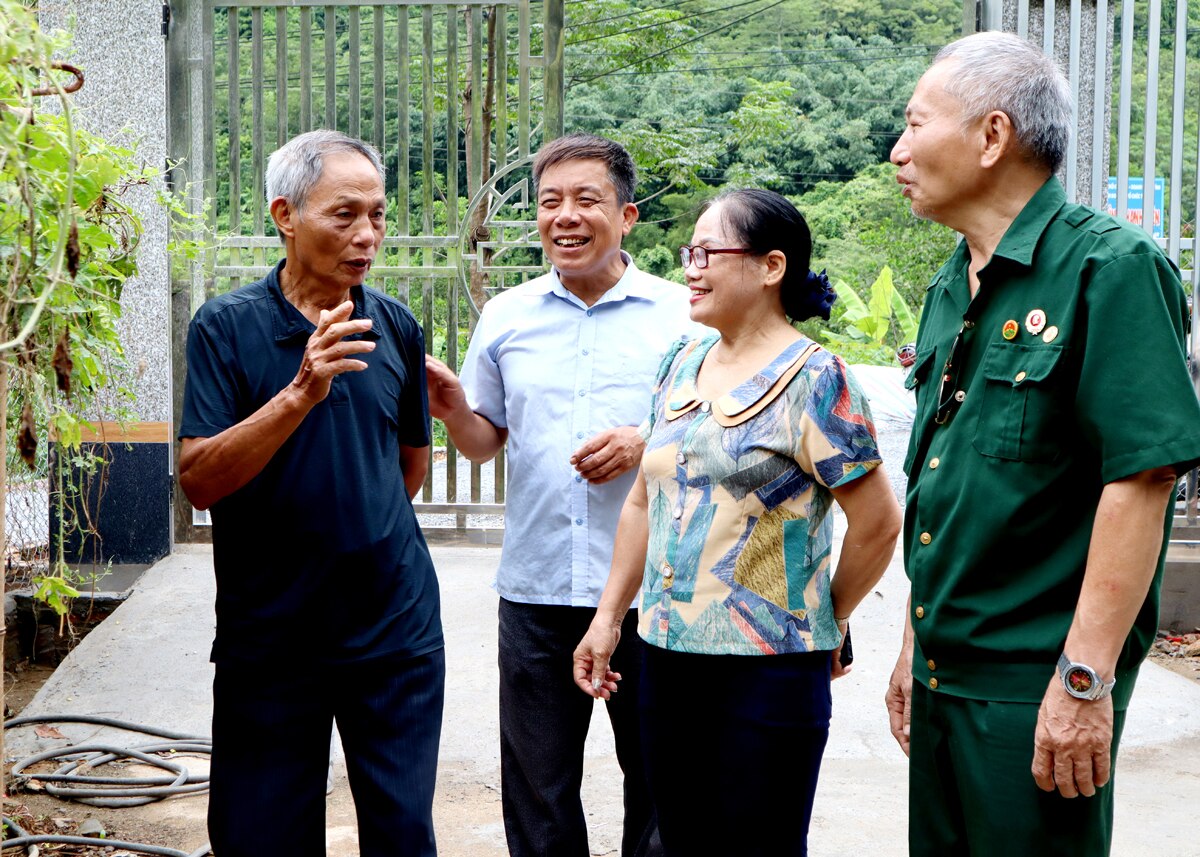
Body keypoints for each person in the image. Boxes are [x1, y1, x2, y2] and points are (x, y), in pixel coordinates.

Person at [885, 32, 1200, 856]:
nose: (898, 150)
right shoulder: (951, 285)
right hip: (945, 675)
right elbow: (944, 484)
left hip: (1035, 687)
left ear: (992, 137)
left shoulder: (1112, 269)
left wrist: (1084, 681)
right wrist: (915, 647)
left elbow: (1143, 479)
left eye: (916, 124)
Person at [573, 188, 903, 857]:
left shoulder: (819, 380)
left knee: (760, 843)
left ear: (771, 266)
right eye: (689, 253)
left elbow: (877, 524)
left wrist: (822, 620)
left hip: (771, 669)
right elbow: (643, 499)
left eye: (706, 252)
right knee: (681, 837)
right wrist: (609, 616)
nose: (689, 267)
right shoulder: (680, 364)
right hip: (664, 655)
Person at [424, 133, 695, 857]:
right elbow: (487, 441)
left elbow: (721, 435)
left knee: (664, 787)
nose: (565, 217)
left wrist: (646, 443)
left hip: (654, 593)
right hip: (538, 587)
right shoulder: (508, 316)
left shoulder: (683, 317)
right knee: (537, 791)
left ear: (628, 215)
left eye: (586, 200)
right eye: (550, 202)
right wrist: (453, 406)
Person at [178, 130, 443, 857]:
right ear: (285, 214)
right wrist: (300, 391)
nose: (367, 235)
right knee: (260, 836)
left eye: (379, 215)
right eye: (345, 214)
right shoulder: (225, 328)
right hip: (271, 637)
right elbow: (199, 478)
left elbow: (408, 468)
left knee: (401, 833)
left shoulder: (394, 325)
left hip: (394, 632)